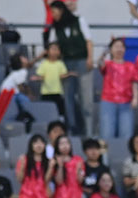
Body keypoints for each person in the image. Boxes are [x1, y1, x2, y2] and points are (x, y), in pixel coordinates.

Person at [44, 1, 93, 135]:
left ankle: (88, 131)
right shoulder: (55, 28)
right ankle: (72, 128)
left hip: (82, 60)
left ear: (61, 10)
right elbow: (53, 46)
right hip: (66, 62)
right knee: (68, 97)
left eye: (55, 11)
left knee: (86, 98)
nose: (53, 15)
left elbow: (88, 40)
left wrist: (90, 58)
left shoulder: (79, 20)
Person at [98, 38, 138, 140]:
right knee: (107, 132)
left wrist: (135, 98)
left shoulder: (131, 66)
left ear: (125, 49)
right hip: (108, 101)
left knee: (126, 133)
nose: (119, 49)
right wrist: (104, 52)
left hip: (126, 102)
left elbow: (134, 82)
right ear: (111, 50)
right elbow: (99, 63)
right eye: (116, 46)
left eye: (121, 47)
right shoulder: (107, 64)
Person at [16, 134, 55, 198]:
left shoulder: (48, 162)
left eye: (41, 142)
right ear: (31, 145)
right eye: (36, 142)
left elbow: (46, 181)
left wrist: (51, 168)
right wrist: (23, 166)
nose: (39, 145)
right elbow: (20, 179)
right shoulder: (24, 159)